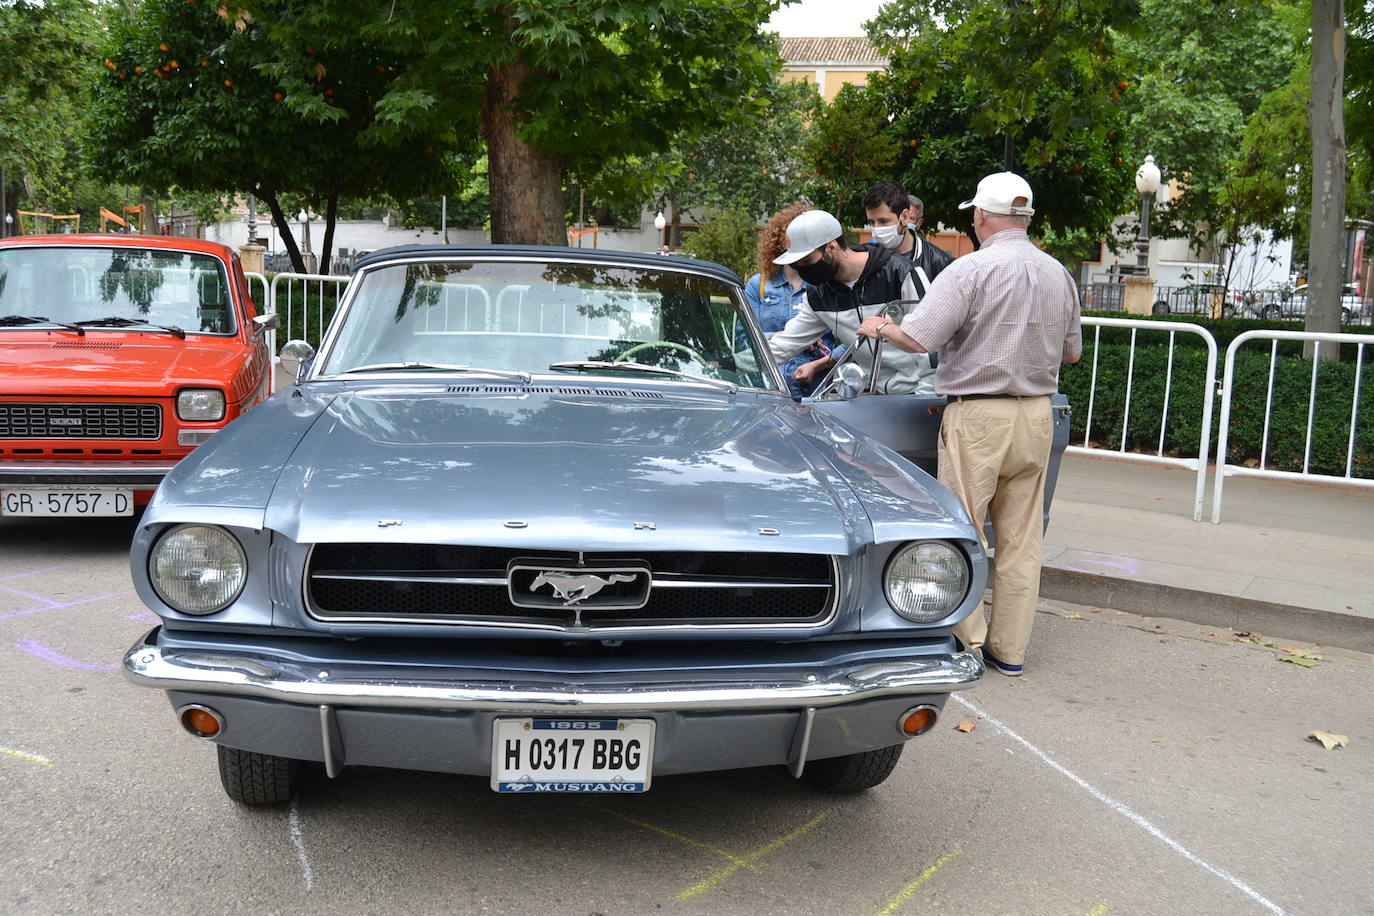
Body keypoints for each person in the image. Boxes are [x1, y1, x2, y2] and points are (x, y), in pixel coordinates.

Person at [855, 172, 1082, 676]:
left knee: (963, 529)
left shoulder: (968, 271)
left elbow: (919, 338)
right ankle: (1010, 649)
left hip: (979, 413)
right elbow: (1071, 353)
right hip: (1037, 413)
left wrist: (880, 326)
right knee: (1022, 538)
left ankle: (967, 639)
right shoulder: (1058, 273)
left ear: (980, 216)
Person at [767, 209, 935, 395]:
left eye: (806, 261)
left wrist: (926, 397)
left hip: (916, 395)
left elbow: (933, 338)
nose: (802, 269)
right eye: (796, 264)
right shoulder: (818, 295)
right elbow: (784, 344)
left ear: (831, 247)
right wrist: (732, 361)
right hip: (868, 396)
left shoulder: (900, 273)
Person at [742, 205, 836, 398]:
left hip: (814, 388)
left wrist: (817, 360)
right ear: (782, 240)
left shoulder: (824, 286)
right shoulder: (758, 285)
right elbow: (744, 340)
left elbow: (843, 343)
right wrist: (790, 336)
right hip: (768, 388)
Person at [863, 180, 953, 298]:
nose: (876, 229)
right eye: (872, 222)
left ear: (905, 217)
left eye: (883, 221)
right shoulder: (865, 261)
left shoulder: (940, 263)